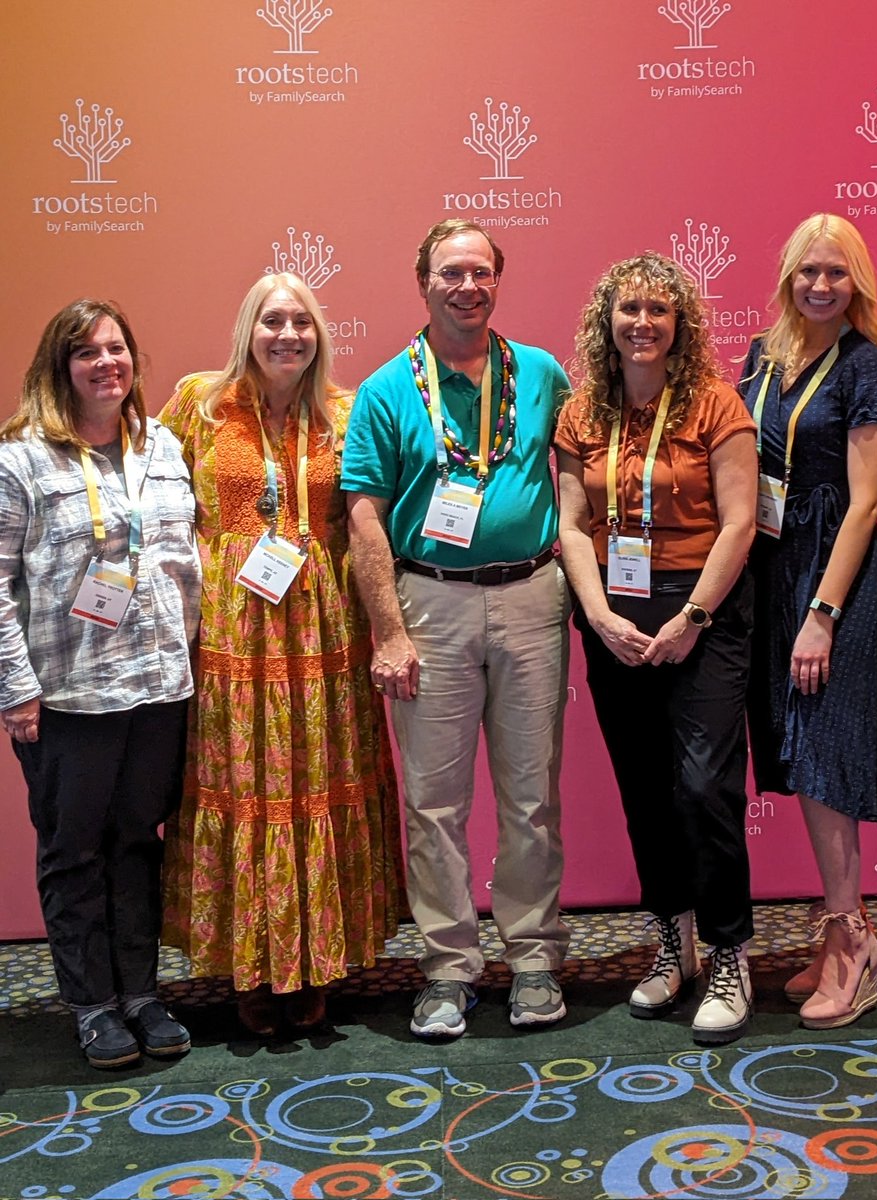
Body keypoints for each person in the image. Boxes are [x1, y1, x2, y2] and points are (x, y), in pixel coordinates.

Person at [342, 219, 571, 1040]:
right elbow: (364, 519)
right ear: (423, 282)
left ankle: (535, 958)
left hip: (531, 597)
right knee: (433, 802)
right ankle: (447, 967)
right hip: (428, 604)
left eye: (480, 272)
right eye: (450, 273)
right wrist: (389, 634)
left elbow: (582, 478)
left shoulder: (541, 373)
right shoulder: (384, 390)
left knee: (532, 793)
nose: (466, 286)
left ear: (497, 281)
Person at [160, 272, 404, 1036]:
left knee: (317, 781)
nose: (287, 335)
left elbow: (371, 517)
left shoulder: (347, 409)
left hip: (325, 629)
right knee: (245, 787)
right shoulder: (199, 404)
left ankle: (315, 960)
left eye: (301, 321)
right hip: (232, 632)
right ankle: (251, 966)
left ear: (319, 335)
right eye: (272, 321)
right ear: (247, 330)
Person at [555, 253, 758, 1044]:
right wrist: (599, 614)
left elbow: (739, 522)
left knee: (703, 786)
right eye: (628, 308)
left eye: (658, 310)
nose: (642, 322)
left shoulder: (713, 405)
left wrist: (693, 619)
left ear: (680, 326)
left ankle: (730, 950)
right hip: (613, 614)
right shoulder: (581, 413)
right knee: (644, 787)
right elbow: (572, 523)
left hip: (700, 613)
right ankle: (671, 943)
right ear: (607, 322)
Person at [0, 300, 200, 1067]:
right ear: (61, 365)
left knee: (136, 843)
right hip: (67, 692)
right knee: (72, 848)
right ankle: (91, 1005)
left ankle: (143, 995)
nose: (105, 363)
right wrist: (15, 688)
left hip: (157, 684)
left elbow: (182, 562)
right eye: (87, 352)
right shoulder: (21, 458)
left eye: (116, 348)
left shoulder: (163, 446)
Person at [739, 213, 877, 1030]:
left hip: (830, 579)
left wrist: (823, 615)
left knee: (827, 751)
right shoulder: (761, 357)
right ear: (786, 277)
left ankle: (851, 945)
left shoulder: (867, 367)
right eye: (808, 270)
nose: (820, 285)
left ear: (856, 283)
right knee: (796, 754)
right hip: (769, 571)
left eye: (836, 273)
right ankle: (844, 924)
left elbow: (866, 498)